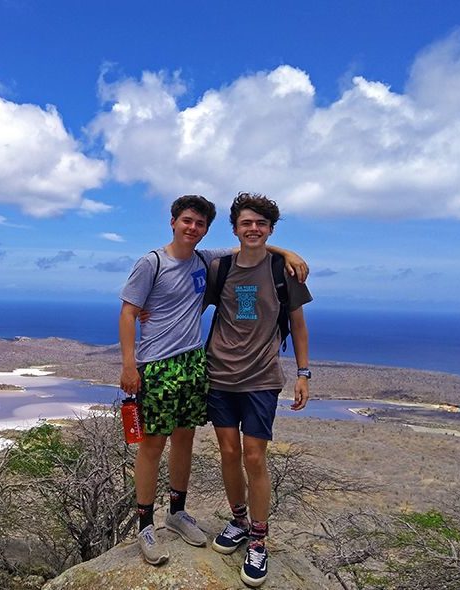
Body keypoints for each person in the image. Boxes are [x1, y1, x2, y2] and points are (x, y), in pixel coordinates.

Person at [119, 194, 307, 566]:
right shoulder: (151, 263)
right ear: (173, 221)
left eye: (200, 224)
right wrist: (129, 365)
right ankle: (144, 524)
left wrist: (289, 253)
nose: (193, 228)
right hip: (156, 365)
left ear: (207, 230)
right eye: (187, 221)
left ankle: (177, 511)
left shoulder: (209, 260)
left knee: (185, 440)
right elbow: (128, 313)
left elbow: (253, 243)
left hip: (193, 364)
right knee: (153, 445)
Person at [205, 192, 312, 587]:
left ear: (270, 230)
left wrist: (304, 373)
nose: (254, 229)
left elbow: (298, 325)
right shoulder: (221, 268)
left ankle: (259, 539)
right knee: (228, 452)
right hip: (220, 375)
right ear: (235, 229)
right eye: (246, 223)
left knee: (255, 456)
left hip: (262, 378)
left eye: (261, 224)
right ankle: (238, 521)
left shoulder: (283, 271)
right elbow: (189, 300)